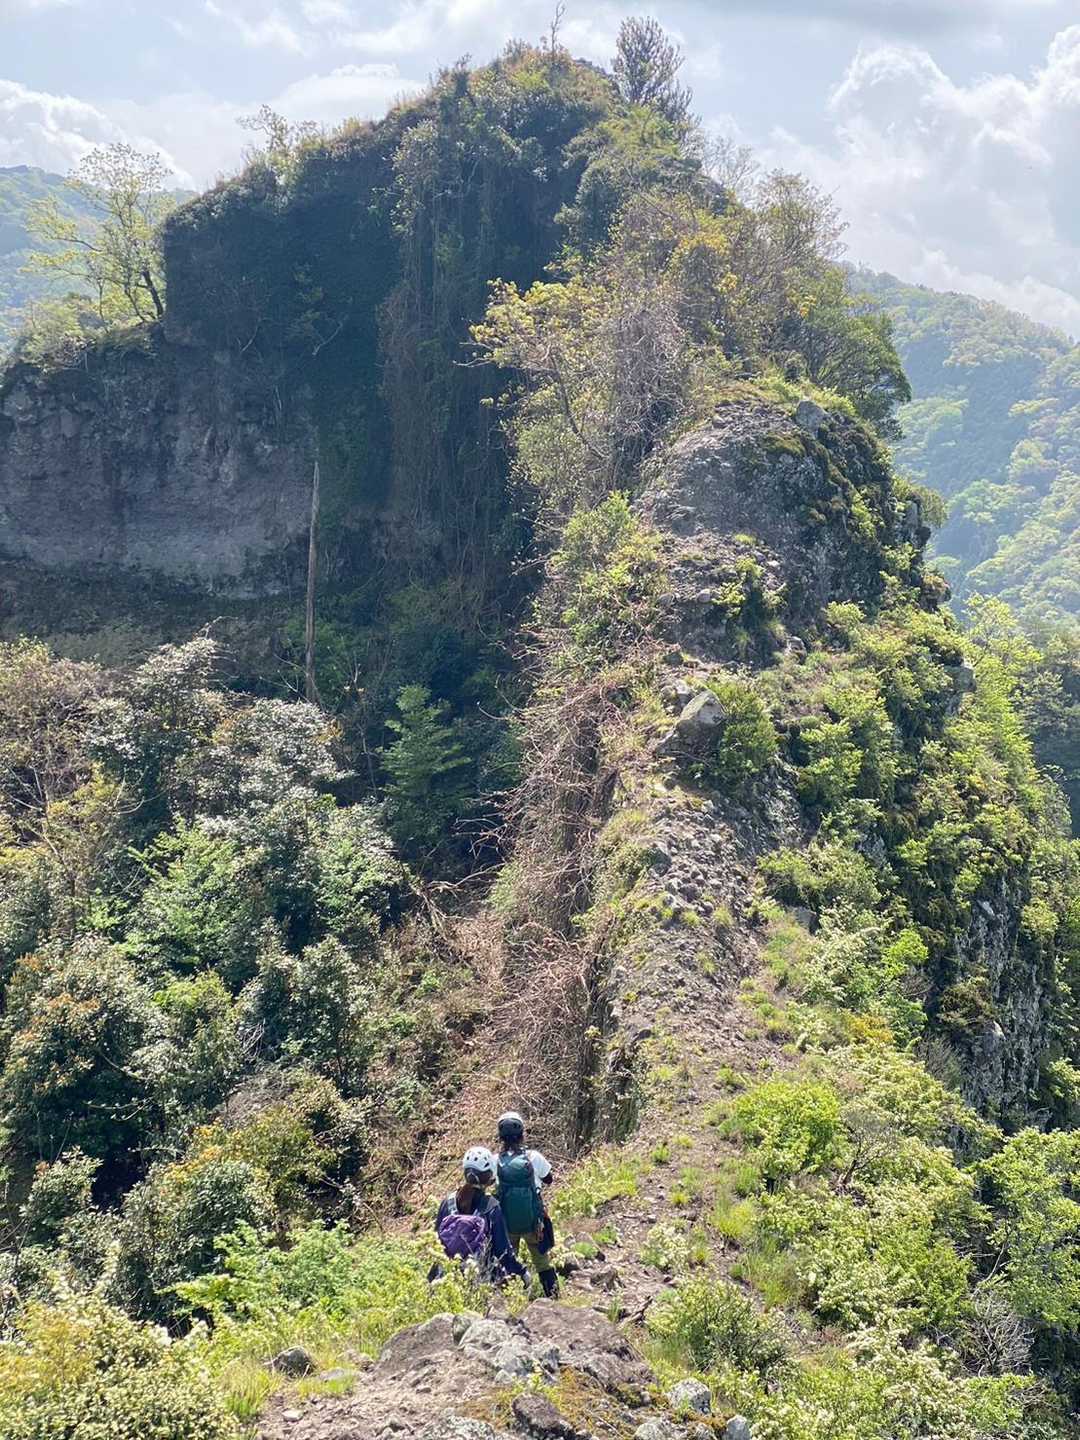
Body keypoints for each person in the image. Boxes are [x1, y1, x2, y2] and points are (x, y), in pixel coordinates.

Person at [435, 1146, 527, 1285]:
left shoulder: (447, 1202)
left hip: (447, 1276)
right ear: (489, 1176)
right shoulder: (490, 1206)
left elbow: (436, 1241)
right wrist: (522, 1272)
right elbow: (502, 1251)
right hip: (480, 1277)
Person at [495, 1110, 559, 1298]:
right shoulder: (534, 1157)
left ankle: (506, 1303)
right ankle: (554, 1298)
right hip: (534, 1223)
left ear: (501, 1137)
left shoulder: (495, 1161)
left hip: (507, 1224)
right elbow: (549, 1179)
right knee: (543, 1263)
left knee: (506, 1262)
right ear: (522, 1134)